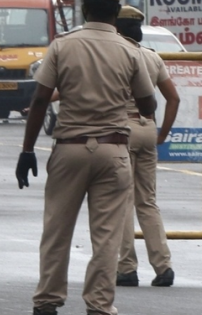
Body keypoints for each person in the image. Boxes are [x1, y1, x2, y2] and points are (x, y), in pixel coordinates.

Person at [15, 0, 157, 314]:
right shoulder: (130, 50)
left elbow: (40, 99)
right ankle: (99, 304)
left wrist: (27, 150)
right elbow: (148, 106)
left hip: (69, 149)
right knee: (106, 236)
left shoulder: (62, 46)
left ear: (84, 11)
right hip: (114, 150)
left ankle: (47, 300)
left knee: (57, 229)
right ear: (116, 11)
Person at [115, 5, 179, 287]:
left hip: (123, 130)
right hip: (147, 130)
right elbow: (173, 98)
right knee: (148, 202)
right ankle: (163, 266)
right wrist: (162, 134)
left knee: (123, 202)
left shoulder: (115, 54)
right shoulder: (152, 57)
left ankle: (127, 268)